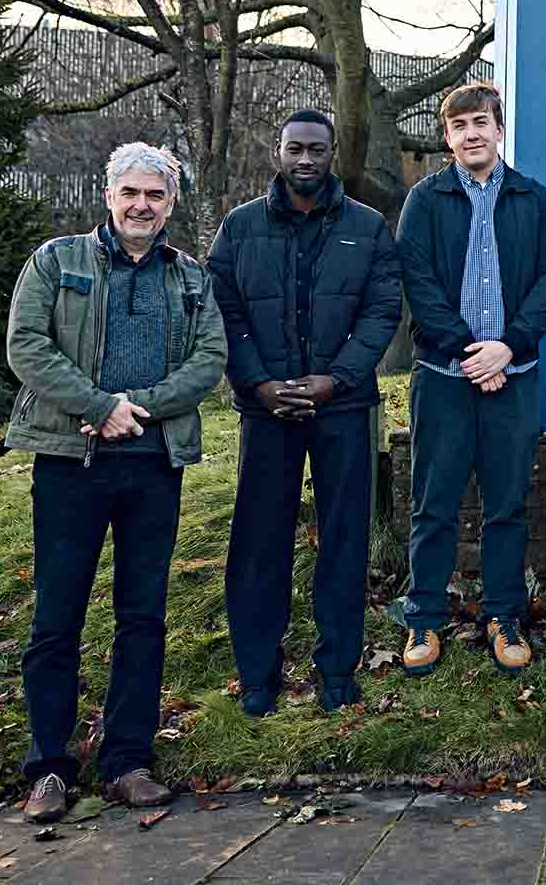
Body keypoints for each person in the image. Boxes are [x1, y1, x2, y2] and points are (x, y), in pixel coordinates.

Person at [4, 142, 226, 822]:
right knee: (56, 618)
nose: (141, 206)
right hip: (72, 461)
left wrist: (142, 408)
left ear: (171, 205)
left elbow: (210, 357)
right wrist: (100, 406)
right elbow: (26, 346)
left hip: (154, 464)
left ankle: (127, 761)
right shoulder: (56, 261)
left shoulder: (191, 278)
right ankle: (48, 768)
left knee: (142, 617)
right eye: (130, 193)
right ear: (107, 196)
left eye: (155, 196)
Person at [208, 109, 401, 717]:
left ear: (333, 152)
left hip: (343, 408)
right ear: (278, 151)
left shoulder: (368, 228)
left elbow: (381, 311)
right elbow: (223, 313)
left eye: (317, 149)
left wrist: (335, 379)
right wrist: (259, 384)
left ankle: (338, 673)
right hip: (266, 412)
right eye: (296, 148)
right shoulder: (239, 227)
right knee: (260, 544)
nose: (306, 160)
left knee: (343, 543)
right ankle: (258, 677)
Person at [392, 81, 546, 677]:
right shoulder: (425, 199)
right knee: (434, 501)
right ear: (447, 137)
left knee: (506, 503)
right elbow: (417, 284)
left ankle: (504, 614)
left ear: (499, 130)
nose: (472, 133)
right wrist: (474, 355)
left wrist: (507, 349)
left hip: (514, 376)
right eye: (459, 125)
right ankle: (424, 616)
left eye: (481, 123)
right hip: (444, 376)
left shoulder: (534, 200)